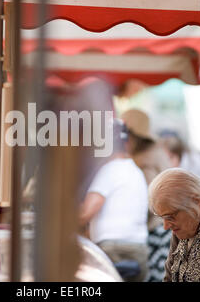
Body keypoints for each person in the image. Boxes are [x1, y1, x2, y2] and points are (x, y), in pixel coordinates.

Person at [79, 119, 149, 282]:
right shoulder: (135, 171)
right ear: (127, 143)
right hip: (138, 249)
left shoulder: (109, 170)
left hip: (114, 249)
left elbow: (85, 213)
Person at [121, 108, 172, 282]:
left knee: (156, 276)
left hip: (157, 226)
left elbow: (151, 197)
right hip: (159, 224)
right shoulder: (152, 153)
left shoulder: (146, 160)